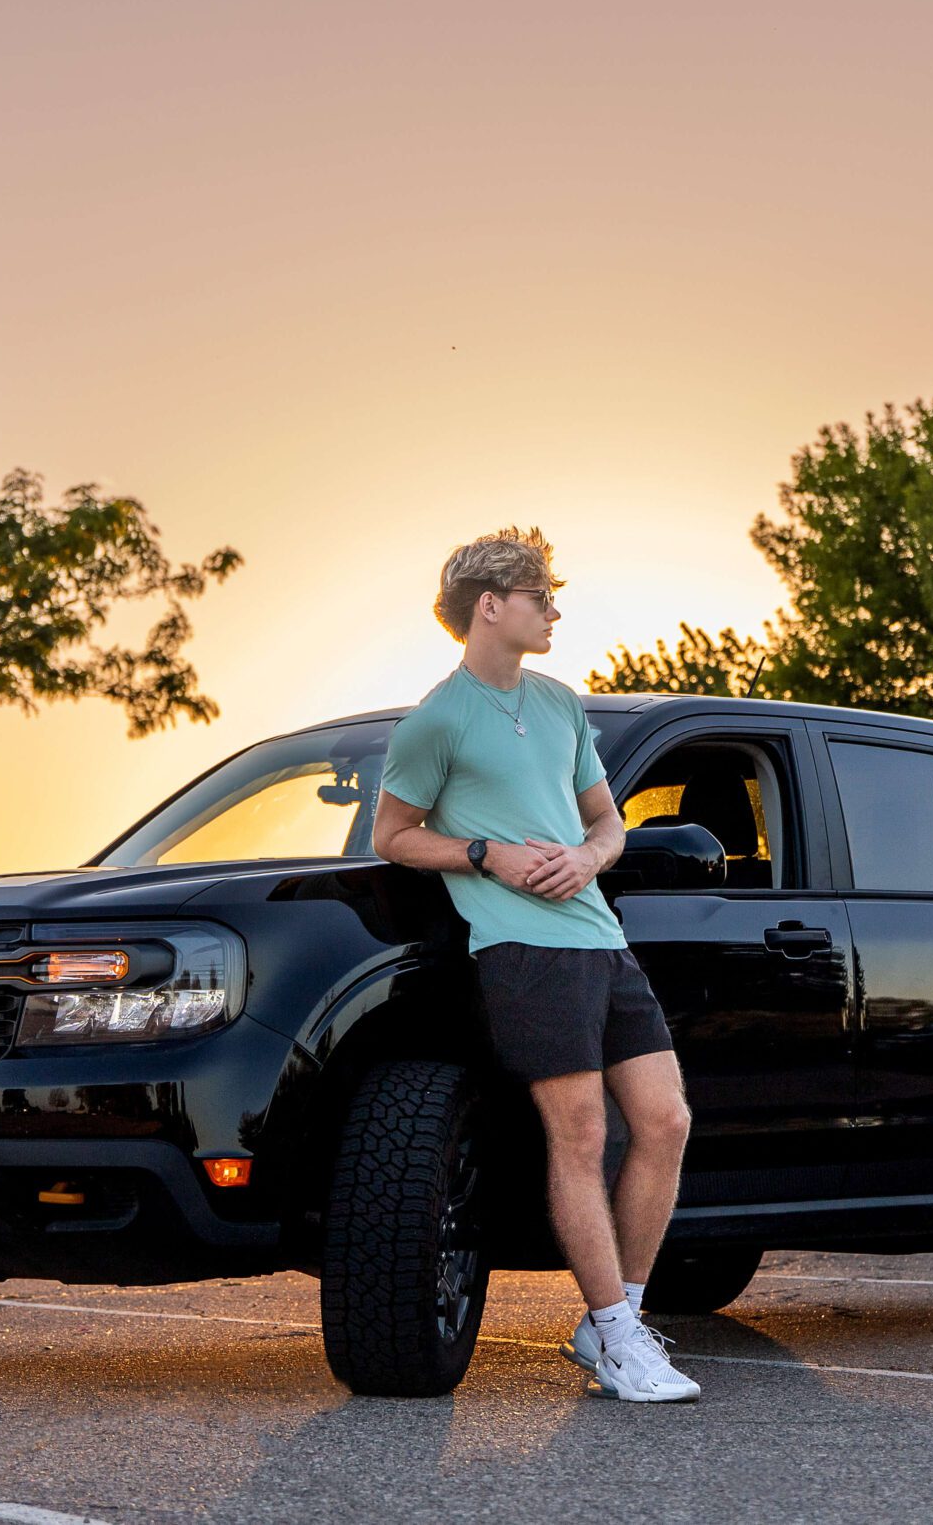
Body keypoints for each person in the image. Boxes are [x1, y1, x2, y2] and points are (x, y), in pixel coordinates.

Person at [371, 527, 702, 1405]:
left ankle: (612, 1325)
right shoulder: (436, 720)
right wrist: (486, 853)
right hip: (520, 948)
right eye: (540, 596)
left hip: (601, 938)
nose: (554, 610)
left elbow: (608, 821)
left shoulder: (558, 704)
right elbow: (392, 836)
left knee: (665, 1119)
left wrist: (592, 858)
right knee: (582, 1135)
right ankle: (622, 1334)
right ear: (491, 605)